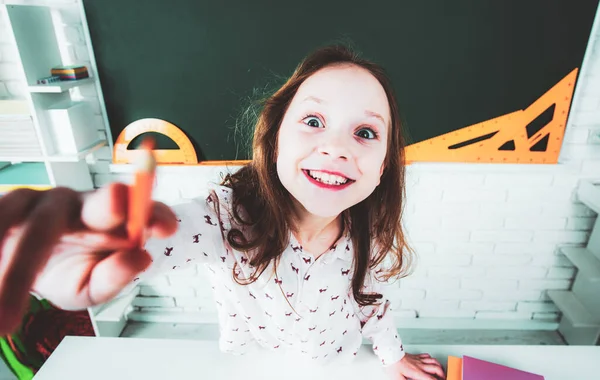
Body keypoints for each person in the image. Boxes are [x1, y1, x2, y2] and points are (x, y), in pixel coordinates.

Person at [0, 45, 444, 380]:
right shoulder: (227, 217)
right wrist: (70, 249)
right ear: (274, 140)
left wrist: (392, 355)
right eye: (313, 121)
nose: (336, 147)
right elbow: (165, 237)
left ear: (383, 165)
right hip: (252, 363)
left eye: (365, 132)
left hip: (340, 364)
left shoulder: (372, 233)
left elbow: (372, 303)